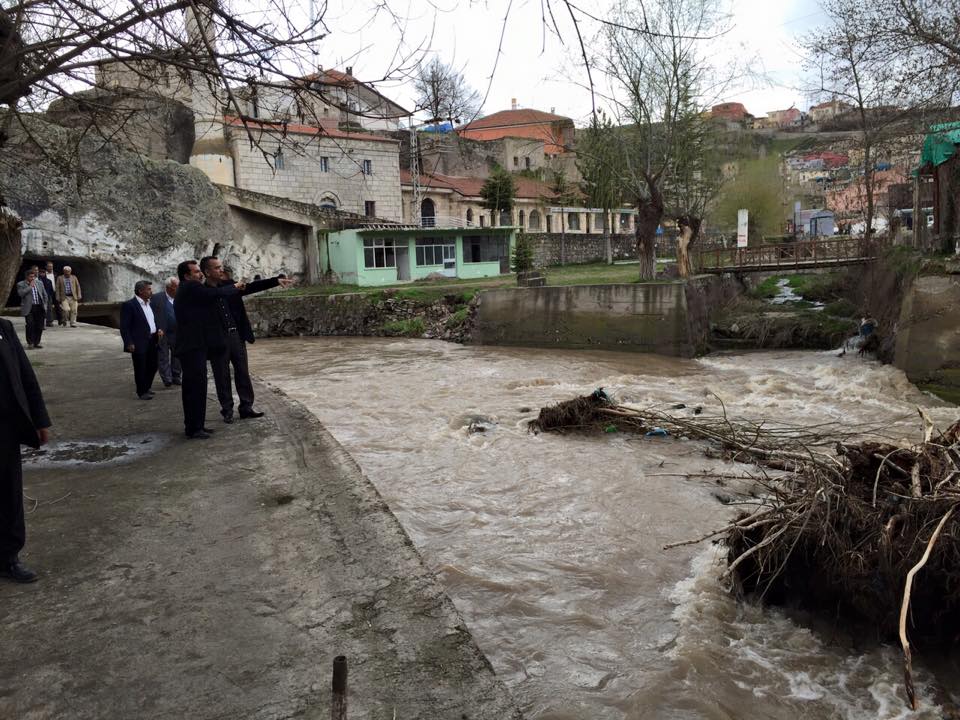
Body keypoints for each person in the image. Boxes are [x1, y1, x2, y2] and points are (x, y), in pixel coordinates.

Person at [203, 258, 293, 423]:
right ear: (207, 272)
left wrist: (275, 281)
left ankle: (246, 407)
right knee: (221, 375)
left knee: (243, 372)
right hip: (217, 339)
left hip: (236, 335)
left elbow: (251, 287)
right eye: (217, 268)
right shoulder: (203, 293)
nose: (221, 270)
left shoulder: (230, 285)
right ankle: (227, 410)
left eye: (221, 267)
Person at [0, 314, 51, 582]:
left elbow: (25, 375)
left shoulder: (3, 327)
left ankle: (9, 557)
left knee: (9, 493)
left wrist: (39, 420)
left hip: (5, 428)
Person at [174, 260, 245, 439]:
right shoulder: (190, 288)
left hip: (195, 347)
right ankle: (193, 428)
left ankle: (196, 425)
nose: (200, 275)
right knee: (194, 389)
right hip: (192, 347)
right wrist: (235, 286)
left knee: (198, 388)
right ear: (187, 276)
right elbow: (216, 292)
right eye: (197, 272)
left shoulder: (191, 290)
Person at [120, 280, 160, 400]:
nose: (151, 291)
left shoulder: (150, 304)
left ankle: (147, 387)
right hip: (138, 341)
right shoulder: (129, 305)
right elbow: (124, 326)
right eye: (148, 289)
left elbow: (152, 320)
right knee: (140, 367)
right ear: (140, 291)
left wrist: (158, 330)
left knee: (153, 365)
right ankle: (142, 391)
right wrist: (129, 342)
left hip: (152, 339)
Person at [151, 276, 181, 387]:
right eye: (176, 287)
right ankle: (167, 378)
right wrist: (157, 328)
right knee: (163, 355)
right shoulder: (156, 298)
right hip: (162, 332)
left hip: (177, 331)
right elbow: (151, 315)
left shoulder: (180, 298)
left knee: (177, 355)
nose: (178, 289)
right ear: (168, 287)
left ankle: (176, 376)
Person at [17, 268, 48, 349]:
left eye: (33, 276)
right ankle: (30, 342)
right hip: (29, 308)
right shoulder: (21, 284)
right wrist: (30, 287)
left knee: (40, 326)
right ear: (26, 277)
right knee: (30, 325)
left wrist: (45, 305)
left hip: (39, 306)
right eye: (31, 277)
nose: (33, 278)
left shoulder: (39, 283)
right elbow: (21, 294)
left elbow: (45, 295)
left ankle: (37, 342)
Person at [45, 262, 64, 327]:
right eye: (49, 266)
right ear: (46, 267)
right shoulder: (44, 274)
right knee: (49, 307)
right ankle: (49, 321)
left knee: (58, 306)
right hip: (48, 292)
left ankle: (60, 320)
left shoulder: (56, 274)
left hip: (55, 292)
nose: (50, 268)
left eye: (51, 266)